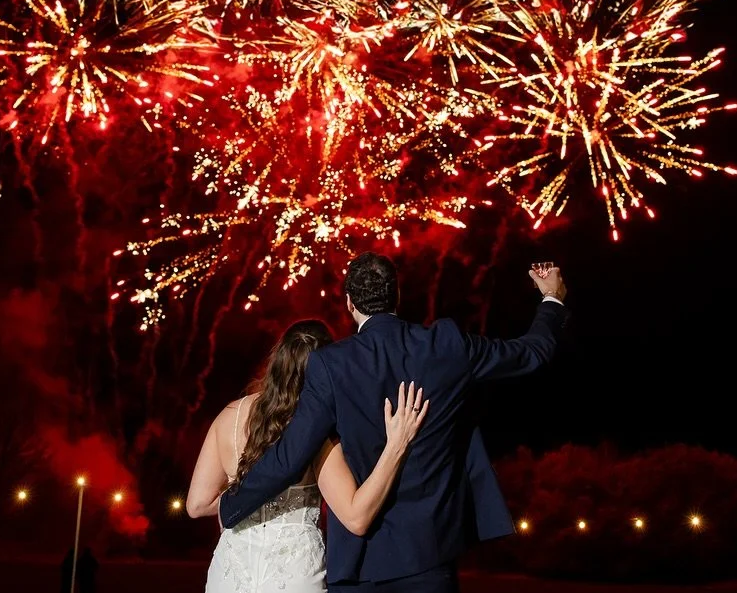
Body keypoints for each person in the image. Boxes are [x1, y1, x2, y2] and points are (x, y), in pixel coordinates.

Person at [220, 254, 567, 593]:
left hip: (361, 563)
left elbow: (291, 453)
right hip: (431, 556)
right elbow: (532, 353)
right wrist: (551, 299)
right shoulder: (448, 345)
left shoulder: (331, 365)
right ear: (397, 296)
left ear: (349, 303)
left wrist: (232, 505)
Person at [187, 319, 430, 593]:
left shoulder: (229, 415)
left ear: (278, 358)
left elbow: (196, 505)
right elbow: (357, 518)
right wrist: (396, 445)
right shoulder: (315, 437)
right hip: (292, 573)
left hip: (231, 573)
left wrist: (246, 503)